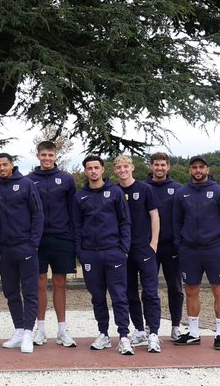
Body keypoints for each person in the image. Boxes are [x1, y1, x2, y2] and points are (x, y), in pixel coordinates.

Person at [172, 156, 220, 349]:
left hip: (215, 250)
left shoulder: (219, 192)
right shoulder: (182, 193)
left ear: (207, 169)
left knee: (219, 291)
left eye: (201, 167)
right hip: (189, 251)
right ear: (189, 170)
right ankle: (193, 333)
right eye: (194, 167)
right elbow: (177, 221)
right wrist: (179, 245)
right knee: (191, 291)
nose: (197, 170)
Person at [73, 155, 133, 355]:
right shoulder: (80, 196)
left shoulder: (115, 192)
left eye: (96, 167)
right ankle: (103, 334)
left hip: (113, 252)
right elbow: (77, 226)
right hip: (90, 255)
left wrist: (123, 249)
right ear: (85, 171)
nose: (93, 171)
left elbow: (125, 221)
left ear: (103, 169)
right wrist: (81, 252)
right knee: (97, 297)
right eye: (89, 168)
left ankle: (124, 336)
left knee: (119, 296)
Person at [26, 141, 79, 347]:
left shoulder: (66, 179)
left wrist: (73, 237)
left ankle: (62, 330)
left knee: (60, 283)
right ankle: (40, 330)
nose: (47, 158)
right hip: (37, 239)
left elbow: (73, 210)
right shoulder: (29, 180)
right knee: (38, 283)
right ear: (38, 156)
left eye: (50, 155)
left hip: (62, 238)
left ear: (55, 156)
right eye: (43, 155)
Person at [0, 153, 43, 354]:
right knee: (10, 292)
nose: (2, 168)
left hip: (26, 247)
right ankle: (19, 330)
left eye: (5, 165)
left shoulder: (26, 184)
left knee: (29, 292)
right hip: (4, 250)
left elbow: (38, 214)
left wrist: (34, 244)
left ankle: (29, 332)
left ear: (12, 165)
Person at [114, 155, 163, 353]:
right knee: (129, 293)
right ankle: (140, 330)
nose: (123, 170)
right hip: (123, 250)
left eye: (126, 166)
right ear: (115, 170)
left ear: (132, 168)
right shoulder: (114, 191)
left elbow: (154, 215)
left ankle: (154, 334)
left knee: (150, 293)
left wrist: (154, 243)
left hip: (144, 248)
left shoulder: (145, 189)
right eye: (119, 167)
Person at [145, 152, 185, 339]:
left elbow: (184, 217)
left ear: (168, 167)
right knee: (148, 288)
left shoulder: (178, 189)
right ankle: (149, 326)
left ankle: (176, 325)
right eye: (156, 165)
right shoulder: (143, 188)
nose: (159, 168)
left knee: (175, 287)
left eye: (163, 165)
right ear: (151, 166)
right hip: (148, 247)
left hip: (171, 247)